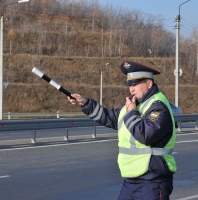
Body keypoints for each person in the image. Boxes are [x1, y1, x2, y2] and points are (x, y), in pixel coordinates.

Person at [67, 61, 177, 200]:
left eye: (135, 84)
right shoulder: (134, 106)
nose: (131, 89)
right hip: (131, 181)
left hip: (152, 181)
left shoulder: (157, 106)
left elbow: (146, 135)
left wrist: (131, 113)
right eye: (130, 85)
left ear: (149, 84)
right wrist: (85, 103)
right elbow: (109, 117)